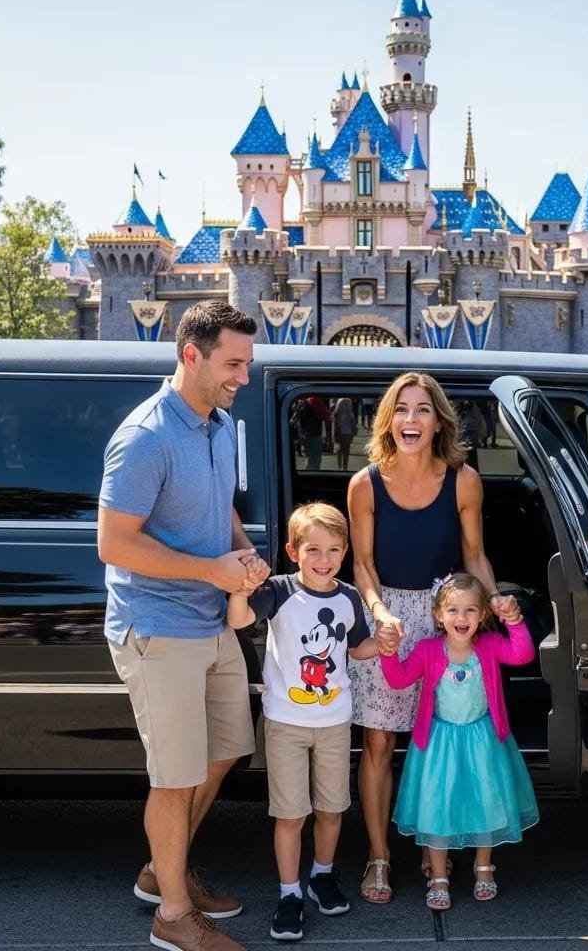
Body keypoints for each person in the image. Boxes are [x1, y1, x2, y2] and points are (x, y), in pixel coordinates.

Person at [98, 300, 270, 951]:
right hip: (158, 626)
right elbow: (114, 544)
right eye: (233, 363)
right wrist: (211, 571)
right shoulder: (144, 436)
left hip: (209, 620)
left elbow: (218, 505)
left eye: (248, 364)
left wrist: (241, 549)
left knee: (225, 750)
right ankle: (172, 915)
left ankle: (160, 869)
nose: (243, 377)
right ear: (190, 356)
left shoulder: (218, 425)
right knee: (174, 778)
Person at [346, 372, 518, 904]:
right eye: (401, 410)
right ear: (388, 421)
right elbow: (364, 563)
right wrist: (378, 614)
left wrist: (496, 603)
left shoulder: (464, 480)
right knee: (379, 740)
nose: (410, 420)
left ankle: (432, 843)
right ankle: (378, 857)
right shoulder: (365, 484)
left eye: (422, 410)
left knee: (437, 737)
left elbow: (473, 556)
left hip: (448, 616)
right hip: (389, 617)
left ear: (438, 420)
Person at [226, 503, 382, 942]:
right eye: (313, 549)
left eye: (333, 550)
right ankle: (290, 893)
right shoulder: (278, 590)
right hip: (286, 723)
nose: (323, 559)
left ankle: (322, 875)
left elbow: (356, 649)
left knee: (332, 808)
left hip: (335, 720)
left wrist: (382, 645)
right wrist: (243, 588)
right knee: (291, 814)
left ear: (345, 552)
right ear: (293, 552)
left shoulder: (349, 597)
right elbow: (238, 619)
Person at [378, 574, 539, 910]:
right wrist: (389, 652)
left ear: (482, 615)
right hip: (439, 741)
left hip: (483, 738)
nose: (461, 618)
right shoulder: (427, 650)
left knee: (486, 800)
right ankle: (438, 875)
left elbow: (522, 654)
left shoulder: (491, 644)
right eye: (452, 610)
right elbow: (399, 679)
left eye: (470, 610)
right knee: (437, 805)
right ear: (438, 615)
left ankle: (483, 867)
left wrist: (515, 620)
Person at [332, 396, 356, 471]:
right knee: (346, 451)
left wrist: (334, 436)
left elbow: (335, 425)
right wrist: (353, 433)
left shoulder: (337, 414)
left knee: (339, 451)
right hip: (348, 433)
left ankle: (339, 467)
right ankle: (345, 468)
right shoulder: (351, 414)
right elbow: (353, 425)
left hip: (339, 433)